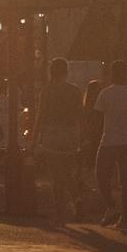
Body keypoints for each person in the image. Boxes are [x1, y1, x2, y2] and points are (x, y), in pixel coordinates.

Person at [90, 60, 127, 227]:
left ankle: (111, 206)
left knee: (101, 175)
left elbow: (97, 119)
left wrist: (90, 139)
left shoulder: (105, 94)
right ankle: (125, 217)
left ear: (112, 74)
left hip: (109, 141)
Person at [34, 58, 83, 223]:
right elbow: (80, 115)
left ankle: (59, 207)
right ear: (66, 71)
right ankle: (77, 199)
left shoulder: (46, 91)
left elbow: (40, 116)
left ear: (51, 71)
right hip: (70, 133)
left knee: (56, 174)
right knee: (68, 172)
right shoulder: (75, 91)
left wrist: (34, 140)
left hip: (52, 133)